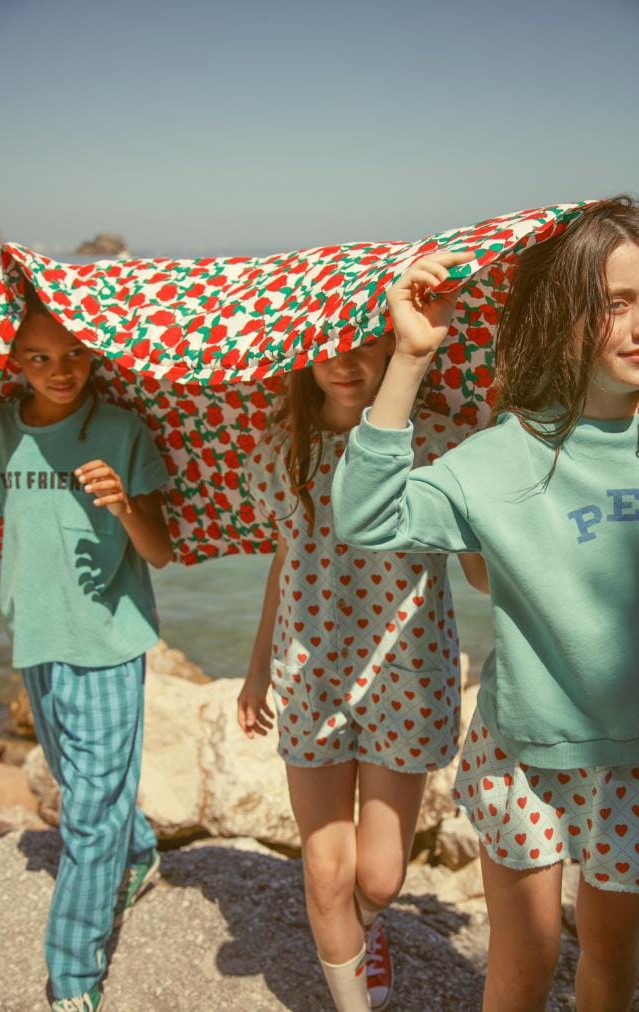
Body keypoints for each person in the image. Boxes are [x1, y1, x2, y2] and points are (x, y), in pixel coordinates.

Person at [332, 196, 639, 1011]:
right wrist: (409, 358)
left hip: (635, 761)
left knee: (614, 963)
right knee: (525, 965)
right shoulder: (503, 456)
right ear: (562, 316)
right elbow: (366, 517)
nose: (638, 324)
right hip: (526, 754)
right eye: (615, 303)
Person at [237, 253, 486, 1012]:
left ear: (392, 342)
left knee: (379, 877)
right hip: (309, 670)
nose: (345, 363)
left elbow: (479, 569)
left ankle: (362, 928)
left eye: (364, 342)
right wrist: (257, 669)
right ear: (302, 357)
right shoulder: (281, 448)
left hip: (408, 669)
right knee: (324, 871)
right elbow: (286, 563)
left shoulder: (438, 441)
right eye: (327, 348)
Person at [0, 283, 173, 1012]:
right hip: (35, 636)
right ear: (14, 363)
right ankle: (138, 850)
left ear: (94, 354)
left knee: (88, 812)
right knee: (84, 789)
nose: (61, 370)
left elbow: (160, 549)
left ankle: (73, 972)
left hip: (109, 641)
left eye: (75, 353)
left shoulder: (121, 429)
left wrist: (123, 503)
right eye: (40, 358)